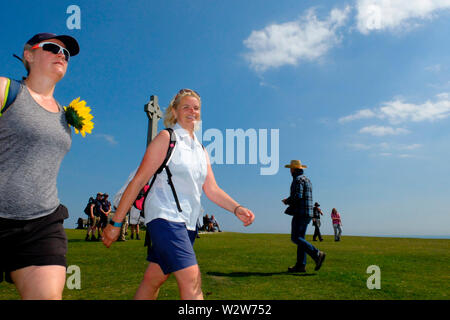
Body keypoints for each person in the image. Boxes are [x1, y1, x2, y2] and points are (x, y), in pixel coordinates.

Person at [102, 88, 255, 300]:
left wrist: (237, 208)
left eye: (196, 108)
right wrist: (116, 223)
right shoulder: (166, 138)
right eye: (186, 107)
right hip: (165, 217)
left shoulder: (201, 150)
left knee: (154, 279)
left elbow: (212, 189)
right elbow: (138, 180)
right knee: (192, 281)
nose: (192, 111)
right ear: (174, 111)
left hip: (188, 223)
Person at [0, 32, 80, 299]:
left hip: (41, 224)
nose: (61, 55)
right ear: (29, 54)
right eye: (52, 48)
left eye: (66, 54)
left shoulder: (66, 114)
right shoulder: (6, 90)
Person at [282, 160, 326, 273]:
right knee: (300, 238)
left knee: (295, 238)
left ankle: (317, 254)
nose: (290, 171)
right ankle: (301, 265)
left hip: (300, 212)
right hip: (308, 213)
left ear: (294, 169)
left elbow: (298, 195)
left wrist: (287, 200)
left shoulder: (298, 180)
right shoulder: (307, 179)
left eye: (291, 168)